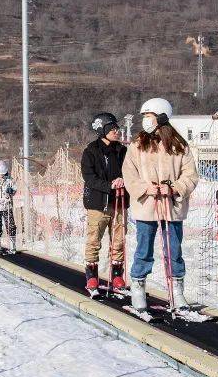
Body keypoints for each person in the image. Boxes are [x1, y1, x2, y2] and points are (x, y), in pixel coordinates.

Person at [122, 98, 200, 314]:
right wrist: (146, 188)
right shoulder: (138, 144)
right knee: (144, 247)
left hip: (171, 205)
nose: (145, 121)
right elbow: (129, 174)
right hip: (147, 205)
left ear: (162, 117)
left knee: (174, 248)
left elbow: (191, 175)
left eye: (149, 116)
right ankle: (138, 285)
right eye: (144, 117)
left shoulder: (179, 145)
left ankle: (177, 289)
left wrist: (174, 188)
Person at [80, 112, 128, 293]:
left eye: (117, 128)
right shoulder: (90, 151)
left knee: (119, 240)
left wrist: (123, 180)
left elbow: (131, 170)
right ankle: (92, 276)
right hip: (98, 203)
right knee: (94, 240)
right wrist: (109, 185)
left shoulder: (122, 151)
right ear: (102, 130)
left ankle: (117, 275)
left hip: (119, 202)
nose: (117, 131)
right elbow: (89, 178)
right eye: (113, 128)